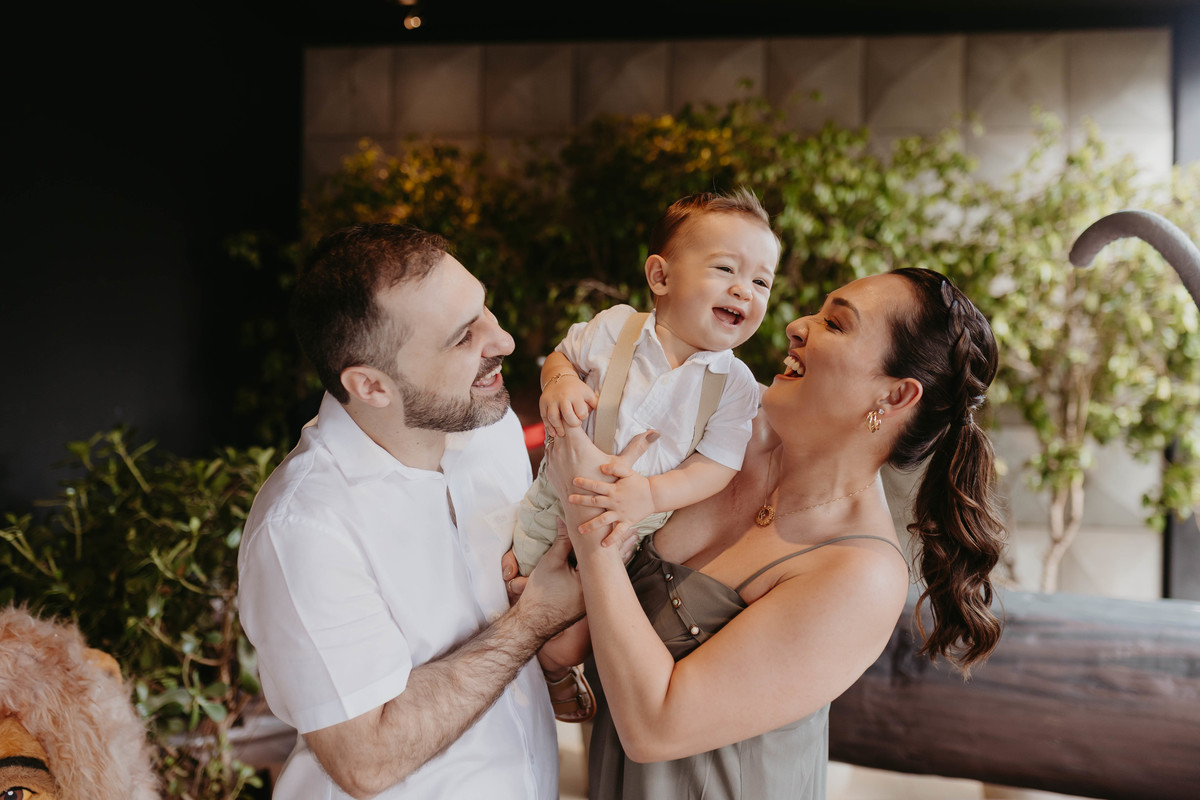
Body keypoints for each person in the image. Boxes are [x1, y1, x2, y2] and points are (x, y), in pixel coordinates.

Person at [539, 267, 1006, 798]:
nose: (796, 325)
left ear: (896, 395)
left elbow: (655, 728)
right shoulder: (722, 429)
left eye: (835, 324)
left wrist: (590, 532)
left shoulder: (861, 575)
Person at [236, 223, 587, 799]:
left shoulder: (490, 428)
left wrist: (553, 659)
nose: (502, 340)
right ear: (371, 385)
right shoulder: (302, 529)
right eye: (462, 337)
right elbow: (365, 758)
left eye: (485, 309)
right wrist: (531, 623)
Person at [512, 189, 780, 724]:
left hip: (629, 526)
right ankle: (502, 668)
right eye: (725, 269)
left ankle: (556, 670)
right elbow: (563, 357)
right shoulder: (616, 328)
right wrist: (560, 382)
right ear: (660, 276)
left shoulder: (734, 385)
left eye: (761, 282)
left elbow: (717, 465)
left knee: (570, 636)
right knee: (509, 578)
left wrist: (651, 494)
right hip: (556, 497)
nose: (743, 290)